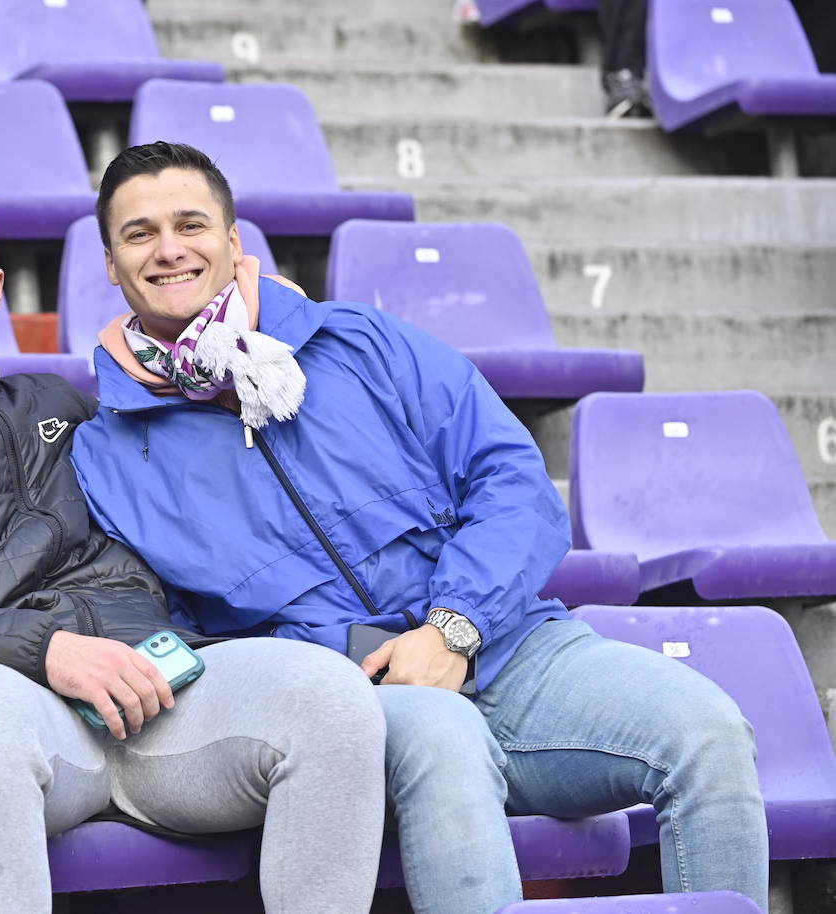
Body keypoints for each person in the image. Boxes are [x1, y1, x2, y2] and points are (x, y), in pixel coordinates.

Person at [70, 141, 770, 914]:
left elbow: (512, 481)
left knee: (705, 730)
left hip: (507, 641)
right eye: (139, 234)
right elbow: (176, 626)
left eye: (191, 223)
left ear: (234, 241)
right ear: (109, 263)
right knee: (443, 738)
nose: (169, 249)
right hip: (351, 689)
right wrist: (358, 660)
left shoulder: (362, 342)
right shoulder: (108, 452)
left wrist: (453, 626)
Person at [0, 178, 389, 914]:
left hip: (160, 681)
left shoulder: (57, 402)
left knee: (330, 699)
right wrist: (44, 648)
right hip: (5, 698)